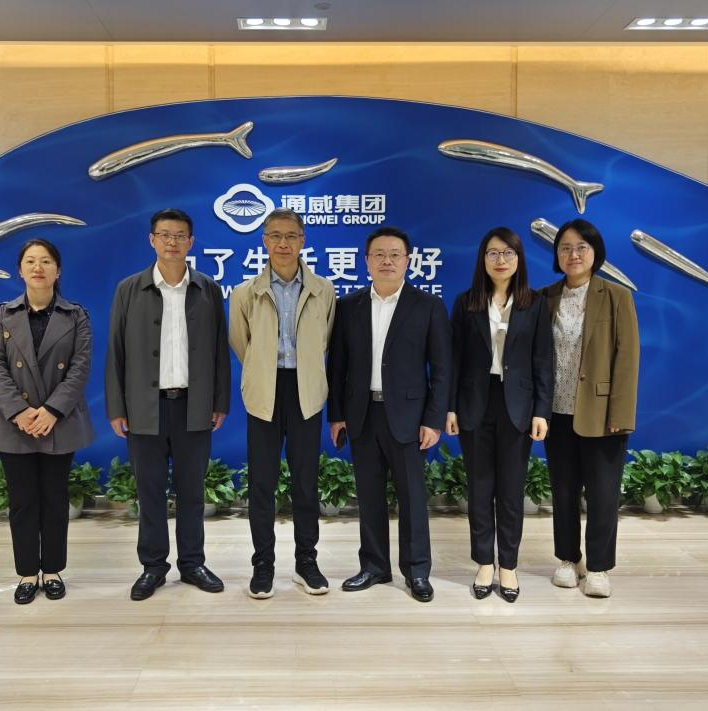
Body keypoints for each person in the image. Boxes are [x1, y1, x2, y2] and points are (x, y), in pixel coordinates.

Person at [105, 208, 231, 601]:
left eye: (180, 236)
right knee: (150, 492)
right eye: (165, 235)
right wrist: (116, 407)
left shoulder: (208, 289)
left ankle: (192, 563)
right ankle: (153, 566)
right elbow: (116, 352)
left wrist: (220, 401)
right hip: (145, 407)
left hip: (194, 406)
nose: (172, 242)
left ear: (191, 242)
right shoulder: (130, 289)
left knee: (193, 491)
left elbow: (220, 351)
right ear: (152, 240)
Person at [328, 226, 451, 603]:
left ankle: (417, 571)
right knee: (368, 495)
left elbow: (442, 368)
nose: (387, 261)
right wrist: (337, 414)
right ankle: (374, 566)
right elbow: (337, 365)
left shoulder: (427, 306)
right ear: (366, 261)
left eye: (395, 254)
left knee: (412, 497)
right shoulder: (348, 306)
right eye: (378, 254)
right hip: (362, 414)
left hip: (410, 418)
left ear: (407, 260)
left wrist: (433, 419)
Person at [0, 239, 93, 604]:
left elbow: (80, 368)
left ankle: (53, 570)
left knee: (55, 499)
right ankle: (28, 573)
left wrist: (51, 411)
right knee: (23, 501)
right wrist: (20, 411)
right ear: (20, 270)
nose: (38, 268)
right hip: (15, 422)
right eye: (30, 261)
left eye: (46, 261)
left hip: (59, 420)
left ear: (58, 270)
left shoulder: (76, 316)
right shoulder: (3, 315)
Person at [229, 207, 336, 599]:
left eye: (291, 236)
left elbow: (325, 340)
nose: (283, 243)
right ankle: (263, 565)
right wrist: (261, 373)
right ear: (264, 241)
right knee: (262, 483)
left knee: (306, 483)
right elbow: (241, 343)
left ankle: (307, 562)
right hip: (264, 393)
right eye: (275, 236)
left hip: (305, 393)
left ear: (303, 240)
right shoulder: (245, 293)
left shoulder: (323, 290)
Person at [445, 227, 553, 603]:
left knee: (510, 490)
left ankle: (508, 564)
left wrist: (541, 411)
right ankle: (484, 563)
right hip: (475, 403)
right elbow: (454, 360)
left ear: (519, 259)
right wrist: (450, 406)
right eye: (493, 253)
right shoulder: (466, 303)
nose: (500, 260)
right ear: (483, 259)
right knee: (480, 489)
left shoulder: (534, 303)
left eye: (508, 253)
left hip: (517, 406)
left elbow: (543, 361)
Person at [541, 218, 639, 599]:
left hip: (602, 415)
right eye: (565, 248)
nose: (573, 255)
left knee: (602, 494)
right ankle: (568, 559)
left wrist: (621, 415)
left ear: (595, 253)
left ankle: (598, 567)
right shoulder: (545, 297)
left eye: (581, 247)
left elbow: (627, 360)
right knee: (563, 491)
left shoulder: (616, 296)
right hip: (556, 413)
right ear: (556, 255)